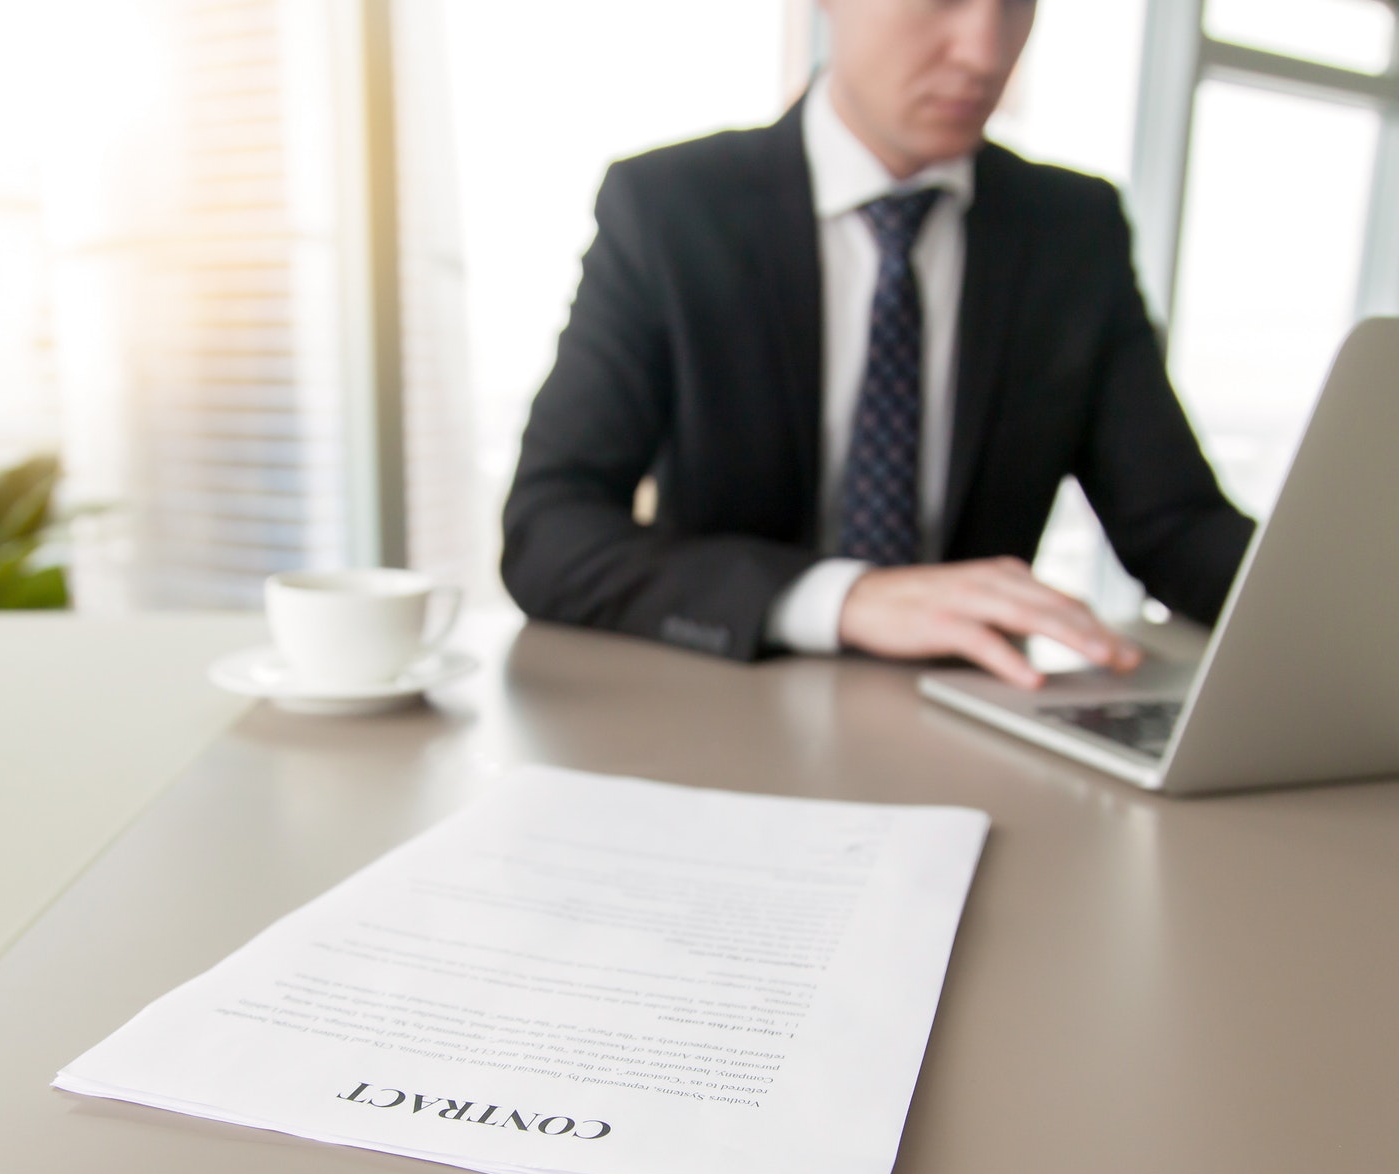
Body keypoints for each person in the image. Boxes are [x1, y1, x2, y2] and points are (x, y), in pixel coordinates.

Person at [500, 0, 1253, 689]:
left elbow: (1176, 527)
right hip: (723, 706)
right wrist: (842, 597)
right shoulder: (670, 210)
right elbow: (549, 530)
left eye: (1018, 4)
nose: (985, 52)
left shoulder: (1073, 232)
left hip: (976, 714)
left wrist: (1349, 609)